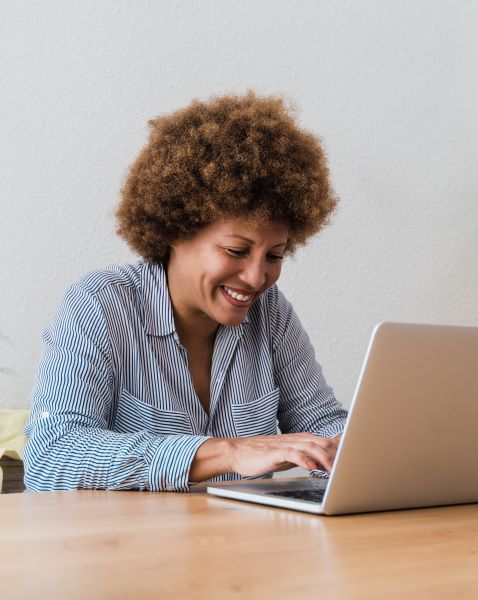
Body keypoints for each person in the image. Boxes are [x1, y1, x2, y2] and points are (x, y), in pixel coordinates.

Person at [23, 91, 347, 492]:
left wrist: (360, 448)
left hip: (246, 547)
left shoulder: (270, 313)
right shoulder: (100, 304)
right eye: (236, 250)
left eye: (274, 256)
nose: (256, 276)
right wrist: (224, 453)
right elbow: (52, 457)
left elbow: (320, 424)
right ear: (176, 228)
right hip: (135, 548)